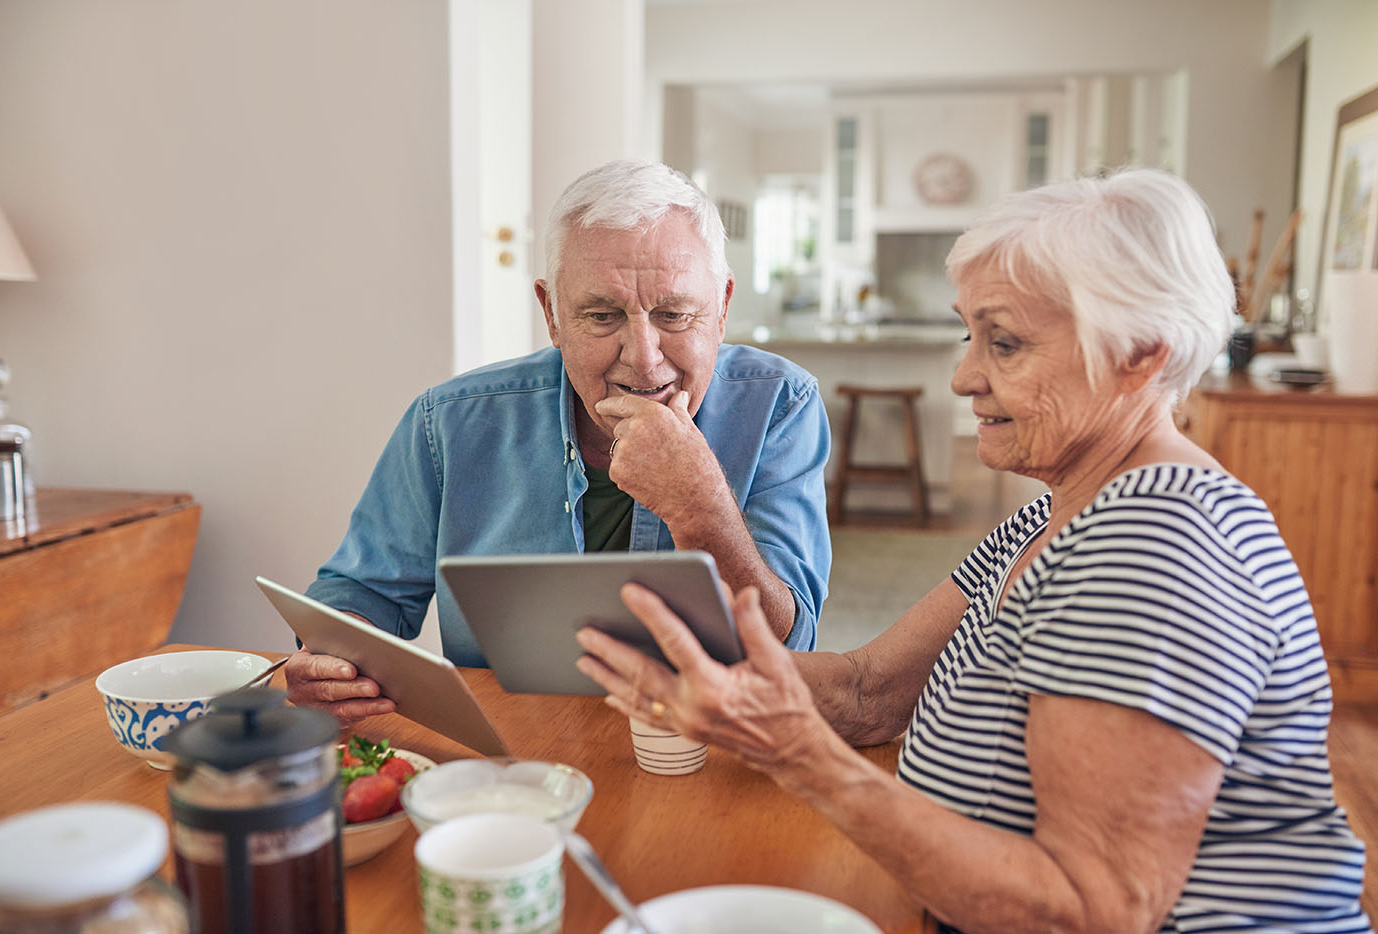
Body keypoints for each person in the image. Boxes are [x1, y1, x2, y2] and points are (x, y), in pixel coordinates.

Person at [576, 168, 1372, 933]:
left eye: (1006, 344)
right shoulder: (1060, 513)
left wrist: (802, 758)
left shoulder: (1157, 545)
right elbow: (869, 691)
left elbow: (1094, 910)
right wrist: (715, 685)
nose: (962, 378)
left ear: (1141, 353)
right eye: (970, 336)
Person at [288, 158, 832, 723]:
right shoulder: (448, 422)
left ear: (720, 308)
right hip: (513, 754)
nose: (643, 358)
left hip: (712, 749)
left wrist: (699, 504)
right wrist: (331, 663)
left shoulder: (779, 404)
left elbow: (791, 645)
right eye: (601, 315)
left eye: (674, 314)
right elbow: (361, 595)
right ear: (551, 314)